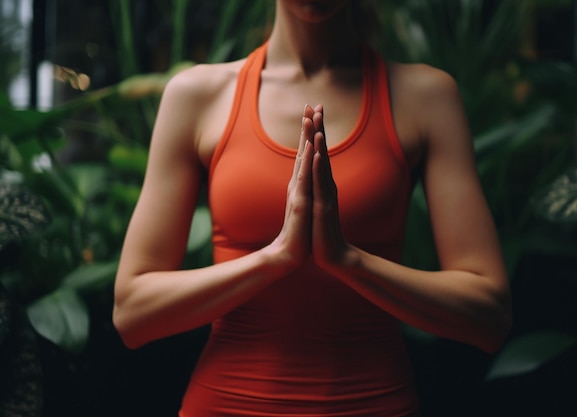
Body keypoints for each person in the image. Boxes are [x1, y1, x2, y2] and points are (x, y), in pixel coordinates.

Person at [113, 1, 512, 416]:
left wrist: (347, 260)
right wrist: (276, 258)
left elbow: (489, 317)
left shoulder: (426, 97)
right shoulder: (197, 95)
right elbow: (133, 314)